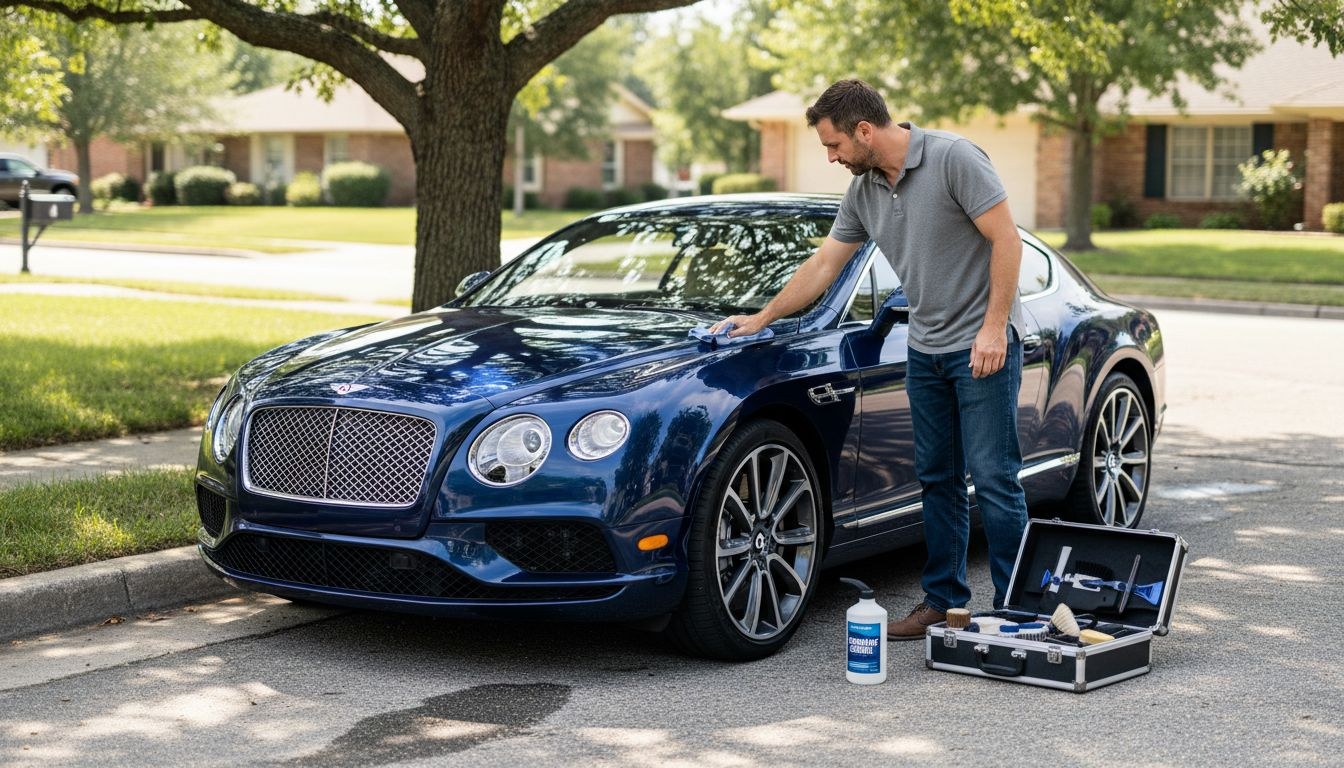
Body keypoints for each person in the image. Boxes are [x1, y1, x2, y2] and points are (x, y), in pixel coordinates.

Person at [708, 79, 1027, 640]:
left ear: (864, 130)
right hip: (926, 351)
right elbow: (823, 266)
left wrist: (995, 328)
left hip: (982, 347)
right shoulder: (864, 192)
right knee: (938, 479)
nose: (830, 157)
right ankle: (943, 602)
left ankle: (1017, 608)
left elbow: (1007, 240)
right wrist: (761, 318)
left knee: (995, 478)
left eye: (834, 146)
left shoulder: (954, 159)